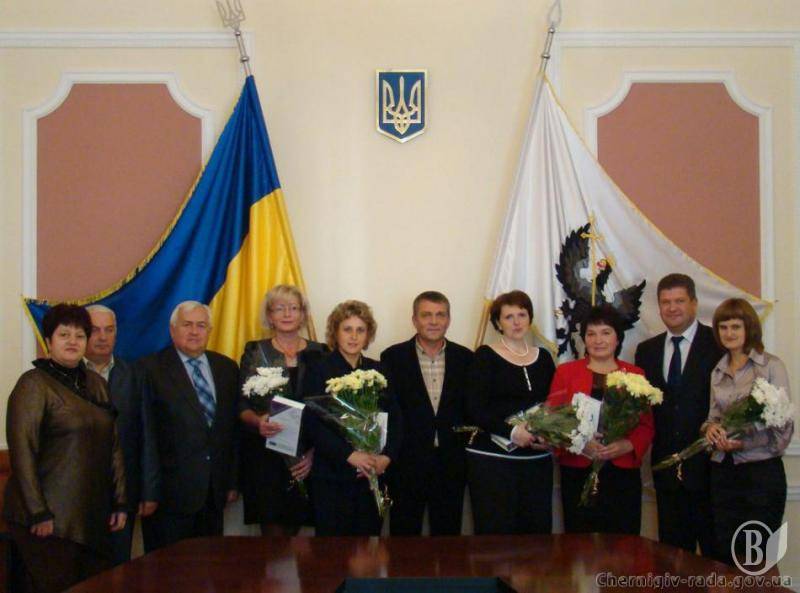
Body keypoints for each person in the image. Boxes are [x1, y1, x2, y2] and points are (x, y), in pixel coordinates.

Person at [4, 304, 127, 593]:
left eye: (79, 335)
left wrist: (120, 502)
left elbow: (113, 446)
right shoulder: (33, 384)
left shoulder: (96, 383)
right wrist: (38, 512)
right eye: (64, 335)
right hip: (47, 523)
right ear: (48, 340)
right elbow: (22, 451)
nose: (73, 341)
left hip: (90, 517)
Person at [140, 301, 240, 551]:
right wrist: (148, 490)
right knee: (168, 568)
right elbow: (144, 435)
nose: (194, 332)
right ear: (172, 329)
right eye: (187, 325)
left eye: (201, 325)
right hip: (168, 495)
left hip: (214, 493)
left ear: (210, 330)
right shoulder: (148, 369)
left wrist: (231, 481)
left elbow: (232, 431)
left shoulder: (227, 368)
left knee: (210, 566)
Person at [634, 274, 722, 555]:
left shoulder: (718, 344)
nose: (672, 308)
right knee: (673, 559)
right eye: (666, 302)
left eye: (679, 301)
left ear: (694, 304)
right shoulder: (646, 351)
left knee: (716, 558)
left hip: (711, 471)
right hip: (666, 472)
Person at [548, 304, 653, 535]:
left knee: (623, 543)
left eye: (606, 333)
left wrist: (627, 444)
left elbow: (646, 426)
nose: (598, 340)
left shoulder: (635, 375)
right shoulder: (566, 373)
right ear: (584, 339)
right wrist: (580, 444)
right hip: (577, 469)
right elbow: (553, 422)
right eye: (591, 334)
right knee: (580, 544)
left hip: (621, 471)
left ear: (618, 338)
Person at [703, 298, 793, 565]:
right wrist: (710, 429)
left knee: (758, 560)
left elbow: (783, 428)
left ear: (749, 328)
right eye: (723, 327)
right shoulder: (718, 370)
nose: (728, 333)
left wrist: (744, 444)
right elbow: (711, 418)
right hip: (723, 473)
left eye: (735, 327)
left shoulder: (771, 366)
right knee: (725, 556)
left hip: (760, 474)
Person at [303, 300, 401, 536]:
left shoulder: (379, 370)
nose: (354, 336)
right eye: (347, 329)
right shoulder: (319, 369)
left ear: (368, 335)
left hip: (372, 474)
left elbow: (396, 418)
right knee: (332, 549)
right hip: (332, 475)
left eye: (360, 330)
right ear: (335, 332)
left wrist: (386, 457)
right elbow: (312, 423)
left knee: (368, 545)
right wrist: (350, 455)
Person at [381, 291, 473, 536]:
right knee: (403, 536)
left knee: (448, 538)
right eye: (426, 315)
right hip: (406, 463)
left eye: (440, 315)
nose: (433, 321)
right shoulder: (392, 357)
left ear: (449, 320)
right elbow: (389, 411)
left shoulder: (466, 358)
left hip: (451, 463)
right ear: (414, 320)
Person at [238, 285, 327, 535]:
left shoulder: (320, 352)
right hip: (267, 456)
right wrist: (258, 421)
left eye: (293, 308)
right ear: (269, 315)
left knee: (305, 543)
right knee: (273, 539)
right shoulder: (255, 351)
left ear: (303, 314)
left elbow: (328, 410)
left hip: (308, 458)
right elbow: (241, 404)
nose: (287, 314)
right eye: (279, 308)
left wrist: (313, 454)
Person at [465, 290, 555, 535]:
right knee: (497, 536)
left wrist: (549, 435)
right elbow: (474, 408)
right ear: (498, 323)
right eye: (508, 317)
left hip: (536, 460)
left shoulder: (544, 358)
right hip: (493, 461)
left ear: (530, 318)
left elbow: (553, 404)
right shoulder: (485, 356)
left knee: (536, 534)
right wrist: (513, 432)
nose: (516, 322)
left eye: (522, 315)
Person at [85, 304, 159, 565]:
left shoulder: (134, 374)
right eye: (95, 330)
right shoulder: (67, 374)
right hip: (78, 492)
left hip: (123, 492)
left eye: (109, 330)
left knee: (118, 567)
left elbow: (147, 434)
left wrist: (149, 491)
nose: (102, 337)